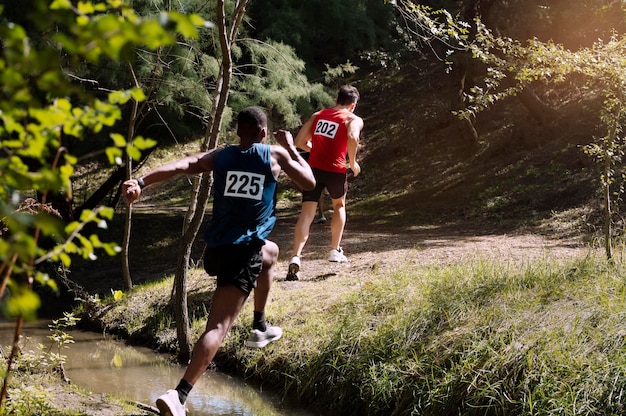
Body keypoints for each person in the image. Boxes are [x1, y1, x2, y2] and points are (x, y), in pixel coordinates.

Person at [122, 107, 315, 416]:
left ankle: (259, 326)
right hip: (242, 251)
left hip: (217, 248)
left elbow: (185, 164)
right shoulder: (275, 155)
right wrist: (293, 148)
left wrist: (141, 182)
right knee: (219, 326)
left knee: (272, 252)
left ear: (238, 131)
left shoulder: (222, 155)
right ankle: (179, 395)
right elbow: (308, 182)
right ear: (263, 133)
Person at [286, 85, 363, 281]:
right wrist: (352, 162)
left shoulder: (318, 115)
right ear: (352, 105)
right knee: (339, 205)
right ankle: (335, 250)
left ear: (336, 101)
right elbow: (353, 137)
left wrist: (315, 150)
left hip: (313, 169)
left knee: (307, 212)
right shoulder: (353, 119)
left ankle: (296, 255)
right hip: (336, 170)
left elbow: (300, 142)